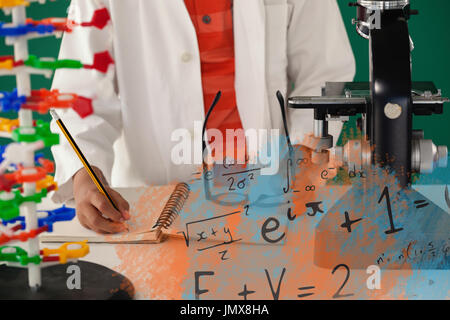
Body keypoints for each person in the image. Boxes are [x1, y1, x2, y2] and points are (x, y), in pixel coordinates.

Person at [51, 0, 355, 234]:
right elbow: (80, 97)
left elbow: (324, 72)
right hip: (151, 201)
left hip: (272, 189)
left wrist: (303, 152)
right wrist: (84, 172)